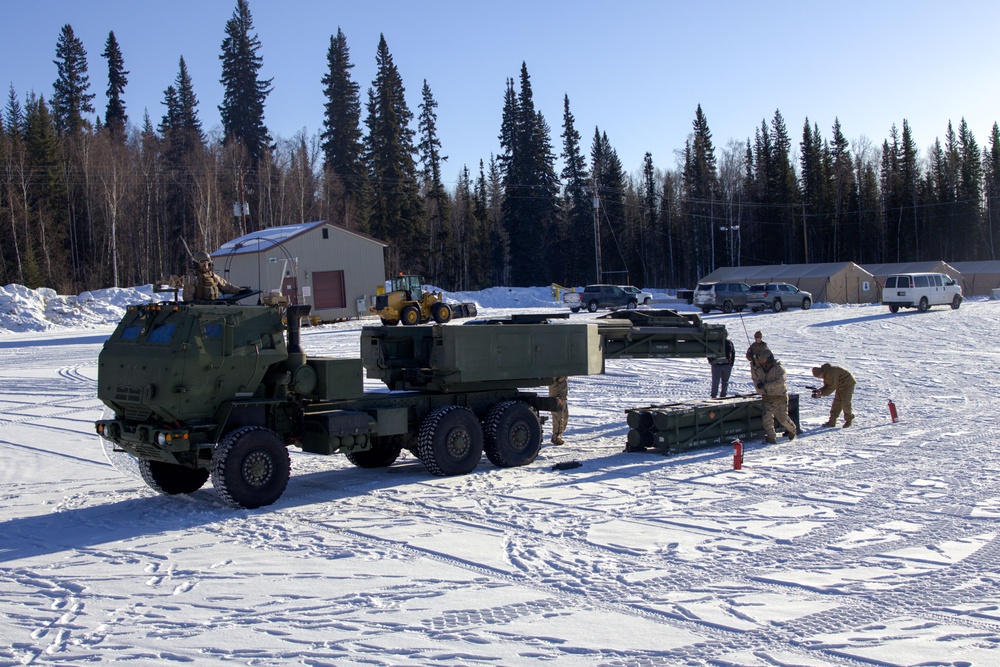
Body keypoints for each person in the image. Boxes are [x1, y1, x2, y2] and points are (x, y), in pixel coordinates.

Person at [755, 349, 797, 444]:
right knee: (767, 419)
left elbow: (780, 382)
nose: (762, 360)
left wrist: (766, 386)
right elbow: (758, 379)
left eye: (764, 358)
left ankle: (792, 429)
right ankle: (771, 437)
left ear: (769, 358)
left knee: (782, 418)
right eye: (761, 358)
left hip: (779, 397)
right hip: (767, 397)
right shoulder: (761, 368)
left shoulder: (779, 368)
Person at [811, 363, 857, 427]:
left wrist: (821, 394)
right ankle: (832, 421)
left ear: (821, 373)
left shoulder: (831, 372)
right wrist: (820, 390)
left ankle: (849, 421)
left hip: (847, 384)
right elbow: (827, 386)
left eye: (818, 376)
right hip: (840, 385)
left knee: (845, 403)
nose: (819, 378)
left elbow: (832, 387)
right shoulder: (826, 374)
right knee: (837, 403)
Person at [548, 376, 568, 445]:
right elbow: (556, 378)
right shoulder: (556, 371)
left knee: (565, 416)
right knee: (559, 417)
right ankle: (556, 437)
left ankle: (558, 435)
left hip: (562, 396)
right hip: (557, 395)